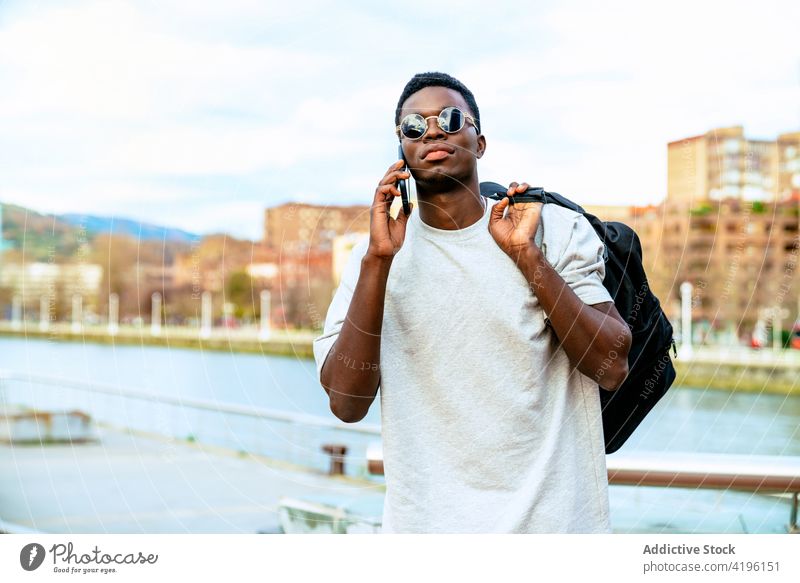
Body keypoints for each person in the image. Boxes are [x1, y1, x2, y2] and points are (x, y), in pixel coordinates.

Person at [313, 72, 632, 533]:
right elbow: (346, 403)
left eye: (450, 118)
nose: (434, 131)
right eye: (414, 127)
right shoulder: (376, 258)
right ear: (401, 152)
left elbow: (612, 365)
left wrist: (526, 254)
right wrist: (379, 260)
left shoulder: (550, 229)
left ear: (479, 142)